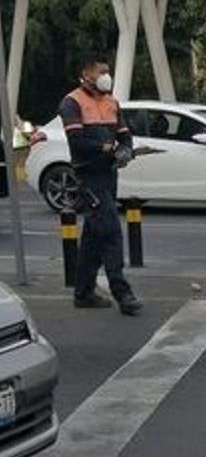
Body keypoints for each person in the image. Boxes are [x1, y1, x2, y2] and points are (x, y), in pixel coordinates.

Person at [61, 56, 142, 315]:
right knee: (111, 232)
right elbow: (76, 142)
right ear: (86, 74)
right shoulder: (72, 102)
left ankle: (83, 293)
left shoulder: (112, 102)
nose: (107, 76)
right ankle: (122, 293)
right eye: (101, 72)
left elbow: (124, 136)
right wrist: (105, 147)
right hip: (88, 177)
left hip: (109, 175)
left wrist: (125, 151)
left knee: (93, 237)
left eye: (108, 71)